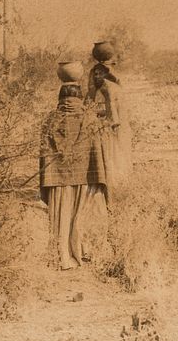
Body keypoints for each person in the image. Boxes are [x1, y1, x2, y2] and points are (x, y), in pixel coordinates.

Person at [39, 69, 108, 270]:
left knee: (60, 218)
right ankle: (81, 252)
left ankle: (61, 256)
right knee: (81, 216)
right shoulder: (89, 119)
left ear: (60, 97)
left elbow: (44, 154)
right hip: (84, 176)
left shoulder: (49, 120)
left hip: (57, 179)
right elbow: (97, 151)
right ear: (79, 97)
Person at [87, 48, 132, 193]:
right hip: (103, 127)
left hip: (111, 129)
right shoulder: (98, 88)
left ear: (106, 74)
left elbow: (113, 115)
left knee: (113, 157)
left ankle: (115, 187)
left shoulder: (110, 89)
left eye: (100, 73)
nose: (97, 76)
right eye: (96, 74)